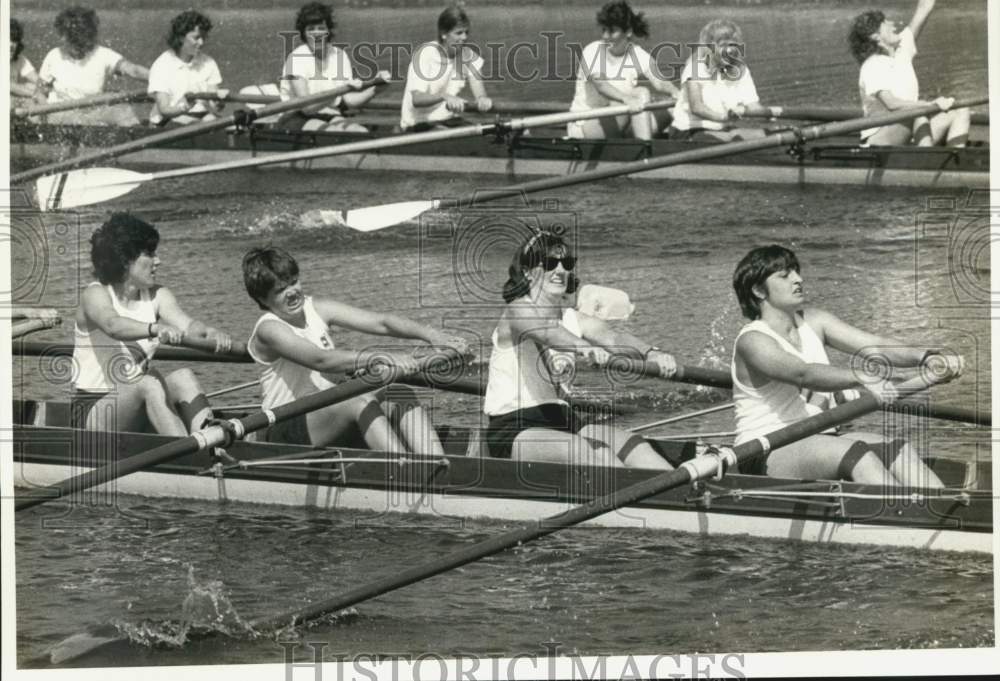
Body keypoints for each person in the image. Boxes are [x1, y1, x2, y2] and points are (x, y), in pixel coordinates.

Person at [730, 244, 962, 487]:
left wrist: (927, 358)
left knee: (899, 449)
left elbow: (875, 345)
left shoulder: (815, 321)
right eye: (785, 275)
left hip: (817, 439)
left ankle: (943, 512)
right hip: (765, 449)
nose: (798, 279)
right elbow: (803, 373)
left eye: (796, 271)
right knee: (858, 455)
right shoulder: (753, 341)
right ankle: (905, 519)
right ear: (758, 290)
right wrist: (861, 377)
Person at [482, 227, 678, 467]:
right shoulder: (517, 310)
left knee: (633, 444)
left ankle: (681, 498)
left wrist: (652, 353)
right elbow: (547, 332)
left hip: (563, 420)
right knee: (586, 450)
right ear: (527, 271)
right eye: (550, 262)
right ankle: (628, 498)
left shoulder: (573, 318)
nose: (561, 270)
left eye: (567, 262)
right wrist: (583, 347)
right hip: (514, 427)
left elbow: (614, 339)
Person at [243, 245, 467, 451]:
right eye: (281, 290)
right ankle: (405, 474)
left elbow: (381, 322)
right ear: (263, 299)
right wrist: (381, 357)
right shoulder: (269, 329)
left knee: (398, 391)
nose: (292, 292)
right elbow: (321, 360)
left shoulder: (316, 308)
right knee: (358, 402)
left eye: (293, 282)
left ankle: (437, 464)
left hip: (327, 413)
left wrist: (432, 335)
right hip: (282, 427)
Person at [71, 212, 233, 435]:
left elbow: (189, 326)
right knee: (148, 383)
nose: (158, 260)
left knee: (184, 376)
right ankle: (189, 458)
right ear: (125, 259)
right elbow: (113, 325)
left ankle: (210, 451)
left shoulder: (157, 295)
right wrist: (155, 329)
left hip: (135, 403)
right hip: (93, 411)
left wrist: (211, 333)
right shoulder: (95, 294)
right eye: (149, 253)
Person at [848, 0, 970, 148]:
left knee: (961, 110)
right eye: (887, 24)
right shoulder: (872, 66)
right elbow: (892, 104)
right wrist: (930, 105)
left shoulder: (902, 50)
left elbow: (924, 7)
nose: (894, 24)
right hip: (880, 138)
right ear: (875, 36)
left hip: (910, 123)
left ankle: (955, 159)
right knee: (917, 114)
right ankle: (926, 163)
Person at [568, 0, 679, 140]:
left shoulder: (638, 54)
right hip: (586, 123)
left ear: (628, 32)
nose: (605, 36)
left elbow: (660, 82)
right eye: (604, 30)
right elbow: (601, 85)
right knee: (641, 93)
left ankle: (646, 145)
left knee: (673, 106)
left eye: (612, 31)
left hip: (623, 115)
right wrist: (626, 99)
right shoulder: (593, 50)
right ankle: (644, 152)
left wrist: (675, 92)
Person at [37, 5, 149, 125]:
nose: (76, 47)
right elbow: (39, 93)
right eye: (72, 41)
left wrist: (161, 79)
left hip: (94, 110)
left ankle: (140, 137)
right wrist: (45, 112)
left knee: (124, 111)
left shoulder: (102, 54)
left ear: (88, 37)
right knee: (90, 123)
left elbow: (133, 70)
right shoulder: (54, 56)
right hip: (62, 113)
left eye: (80, 42)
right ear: (64, 37)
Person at [278, 1, 377, 132]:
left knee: (361, 132)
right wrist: (337, 93)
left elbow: (347, 101)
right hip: (294, 117)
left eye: (321, 28)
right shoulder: (296, 59)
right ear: (303, 33)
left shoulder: (339, 55)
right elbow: (307, 108)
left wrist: (375, 89)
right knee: (335, 133)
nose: (316, 33)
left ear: (328, 31)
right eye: (311, 29)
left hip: (328, 113)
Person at [669, 18, 767, 142]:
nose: (729, 50)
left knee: (771, 133)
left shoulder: (741, 70)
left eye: (732, 45)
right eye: (722, 45)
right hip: (689, 131)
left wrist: (766, 114)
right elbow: (696, 107)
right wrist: (724, 117)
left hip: (723, 129)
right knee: (734, 138)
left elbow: (753, 106)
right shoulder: (695, 68)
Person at [399, 4, 492, 131]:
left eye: (466, 32)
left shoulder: (469, 56)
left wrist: (482, 99)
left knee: (490, 133)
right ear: (444, 34)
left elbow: (479, 92)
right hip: (418, 124)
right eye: (458, 33)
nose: (464, 38)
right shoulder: (424, 55)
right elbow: (417, 99)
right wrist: (444, 96)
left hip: (449, 120)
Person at [147, 9, 227, 126]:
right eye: (196, 38)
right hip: (166, 121)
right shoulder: (162, 65)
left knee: (213, 119)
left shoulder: (208, 62)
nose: (201, 42)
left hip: (200, 119)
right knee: (192, 121)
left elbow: (214, 102)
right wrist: (185, 106)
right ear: (180, 37)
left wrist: (218, 103)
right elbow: (164, 110)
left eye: (204, 37)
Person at [10, 18, 40, 108]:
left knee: (31, 86)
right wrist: (35, 95)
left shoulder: (20, 60)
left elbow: (38, 81)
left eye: (14, 40)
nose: (11, 45)